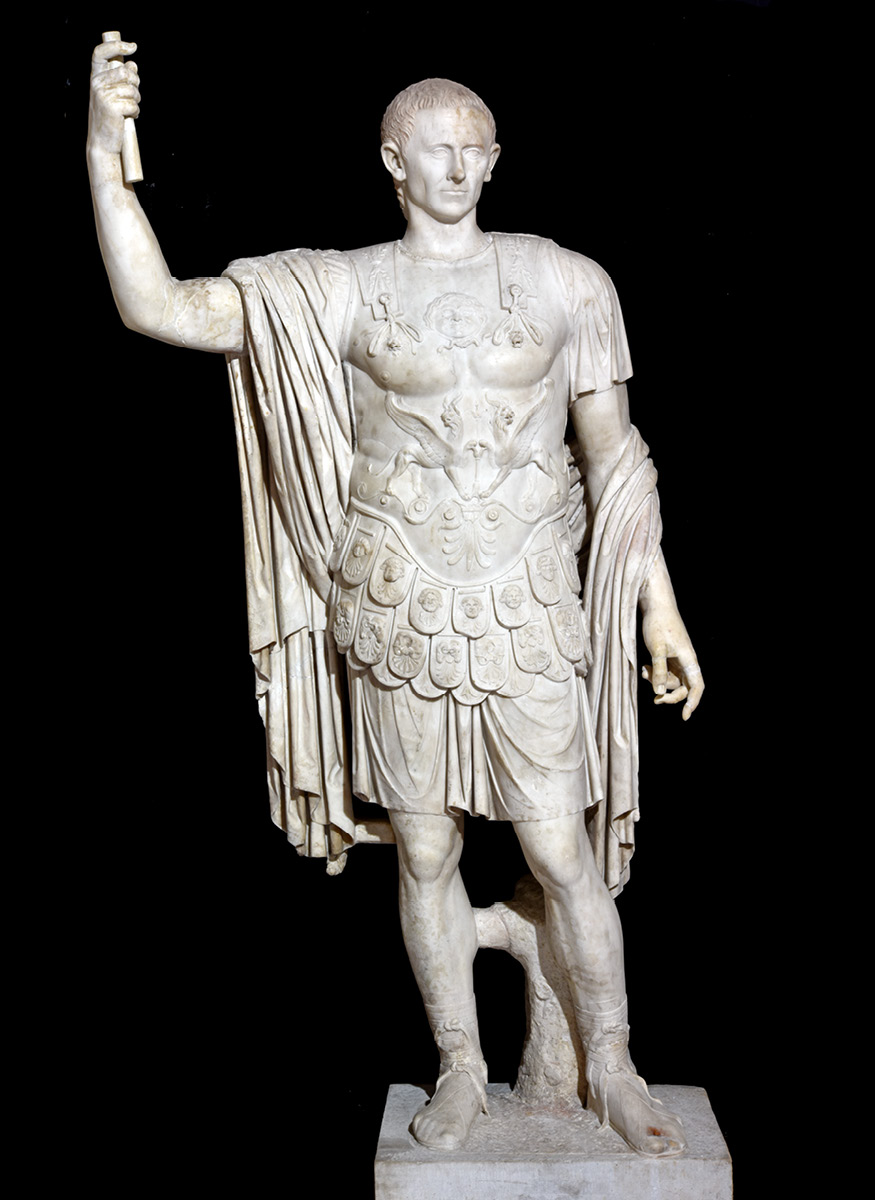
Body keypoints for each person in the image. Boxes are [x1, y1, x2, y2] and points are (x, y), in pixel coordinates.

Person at [88, 38, 704, 1159]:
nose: (458, 168)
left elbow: (615, 461)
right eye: (436, 150)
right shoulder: (341, 287)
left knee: (561, 851)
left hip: (527, 603)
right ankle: (460, 1066)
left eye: (477, 149)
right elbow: (159, 306)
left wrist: (657, 608)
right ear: (391, 161)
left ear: (496, 159)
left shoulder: (565, 280)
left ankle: (610, 1062)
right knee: (423, 852)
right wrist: (101, 155)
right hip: (397, 600)